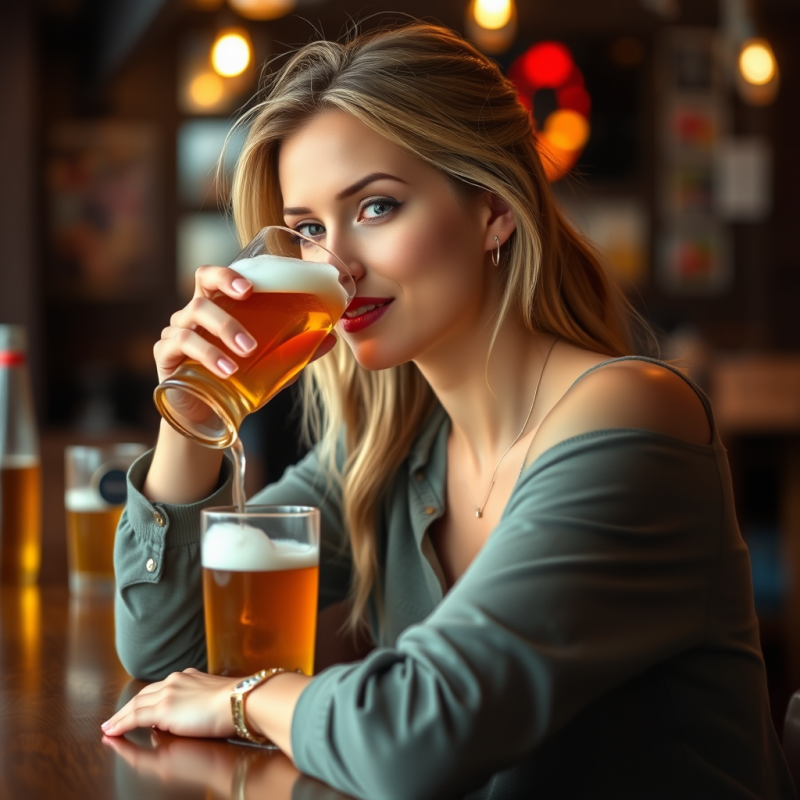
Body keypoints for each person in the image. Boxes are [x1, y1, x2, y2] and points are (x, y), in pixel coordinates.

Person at [101, 21, 795, 800]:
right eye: (306, 231)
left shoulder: (633, 419)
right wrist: (190, 407)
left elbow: (414, 737)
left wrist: (243, 700)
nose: (338, 268)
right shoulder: (392, 446)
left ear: (494, 209)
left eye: (376, 208)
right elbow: (164, 651)